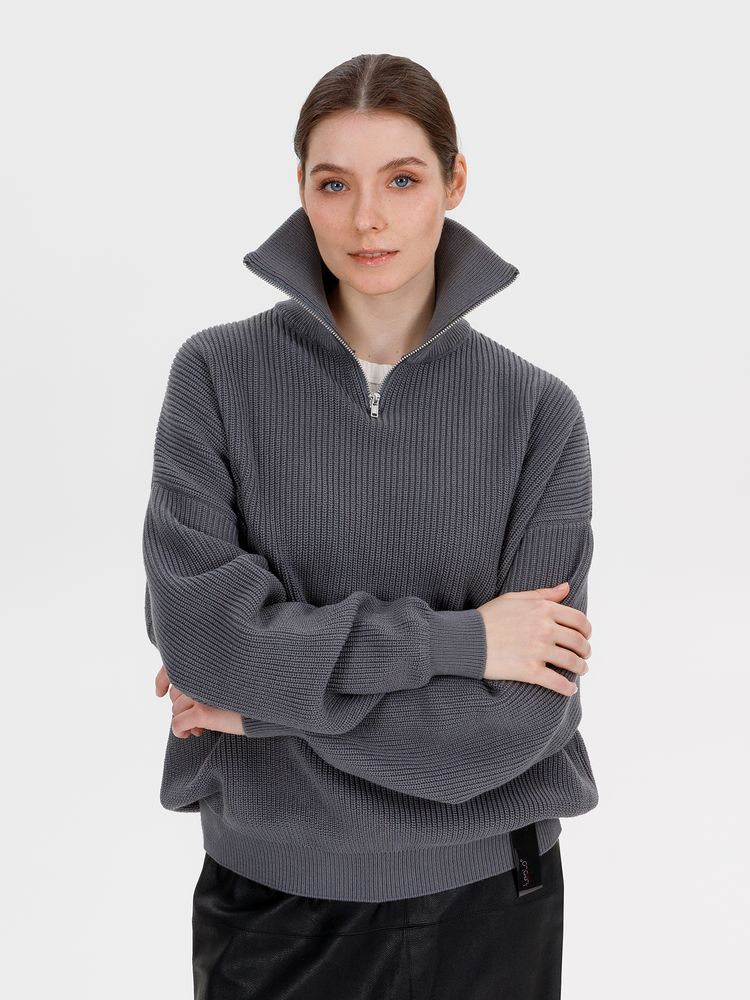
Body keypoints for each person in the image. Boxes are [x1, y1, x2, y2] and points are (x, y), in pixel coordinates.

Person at [143, 52, 598, 1000]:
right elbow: (205, 645)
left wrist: (261, 711)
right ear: (301, 191)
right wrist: (463, 643)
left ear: (454, 183)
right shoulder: (215, 379)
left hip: (489, 904)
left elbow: (520, 717)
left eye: (401, 179)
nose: (367, 220)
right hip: (272, 905)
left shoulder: (537, 413)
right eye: (333, 183)